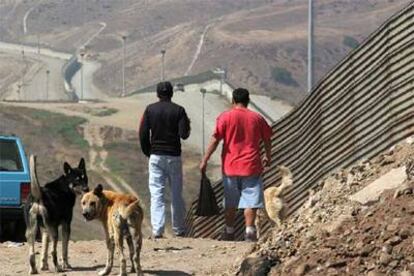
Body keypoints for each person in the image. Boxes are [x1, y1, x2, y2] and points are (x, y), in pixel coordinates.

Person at [200, 88, 272, 242]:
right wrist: (268, 155)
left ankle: (229, 230)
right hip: (251, 165)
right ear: (248, 100)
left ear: (233, 101)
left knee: (231, 201)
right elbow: (267, 138)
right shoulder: (257, 118)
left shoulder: (225, 117)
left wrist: (205, 159)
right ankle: (250, 231)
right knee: (251, 201)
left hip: (230, 166)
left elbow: (215, 139)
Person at [139, 81, 190, 238]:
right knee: (176, 194)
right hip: (174, 156)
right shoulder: (179, 110)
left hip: (156, 156)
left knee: (157, 194)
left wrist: (148, 152)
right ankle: (179, 230)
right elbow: (184, 134)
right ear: (172, 94)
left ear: (157, 94)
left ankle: (158, 230)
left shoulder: (150, 110)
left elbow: (142, 133)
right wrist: (187, 124)